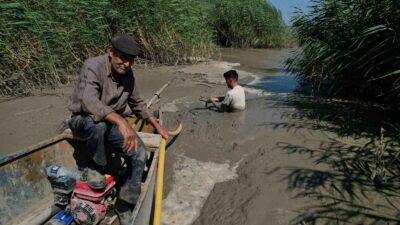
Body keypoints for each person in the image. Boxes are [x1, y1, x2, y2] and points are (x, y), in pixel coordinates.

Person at [67, 33, 169, 209]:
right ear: (110, 52)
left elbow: (137, 103)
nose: (126, 63)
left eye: (131, 60)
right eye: (122, 57)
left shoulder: (128, 74)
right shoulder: (93, 66)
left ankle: (125, 202)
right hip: (82, 120)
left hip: (111, 123)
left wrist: (157, 126)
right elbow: (89, 101)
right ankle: (95, 167)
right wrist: (121, 122)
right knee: (97, 125)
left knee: (139, 154)